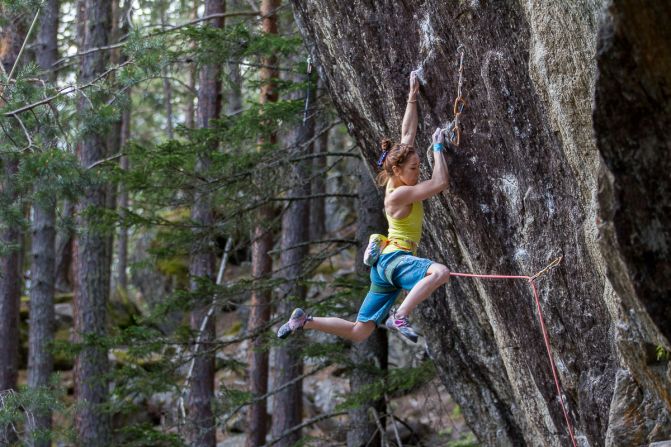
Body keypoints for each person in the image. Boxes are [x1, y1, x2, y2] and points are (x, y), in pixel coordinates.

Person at [277, 71, 451, 343]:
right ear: (397, 169)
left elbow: (407, 134)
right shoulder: (398, 194)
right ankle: (401, 315)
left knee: (360, 331)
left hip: (385, 268)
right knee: (440, 272)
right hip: (396, 259)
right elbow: (440, 182)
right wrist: (438, 148)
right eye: (415, 168)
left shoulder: (397, 172)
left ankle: (305, 321)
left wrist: (412, 96)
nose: (418, 172)